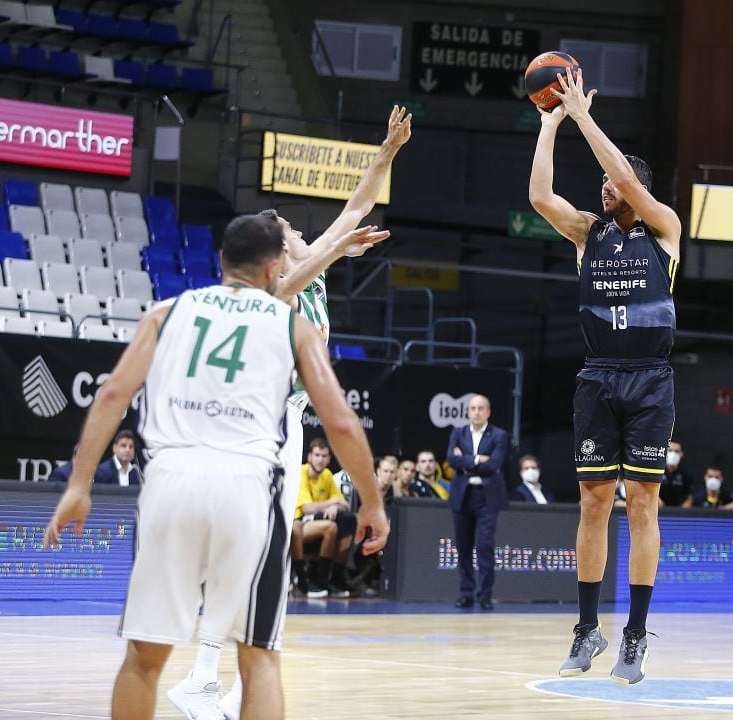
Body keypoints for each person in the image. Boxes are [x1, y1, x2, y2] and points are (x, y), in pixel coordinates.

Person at [42, 214, 388, 720]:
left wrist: (78, 484)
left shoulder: (167, 312)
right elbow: (338, 419)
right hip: (248, 490)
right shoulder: (291, 323)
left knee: (142, 658)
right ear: (275, 268)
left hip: (171, 488)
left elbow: (113, 393)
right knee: (260, 659)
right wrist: (372, 500)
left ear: (222, 259)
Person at [170, 105, 411, 720]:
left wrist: (386, 152)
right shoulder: (280, 283)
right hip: (256, 429)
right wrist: (337, 247)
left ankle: (207, 681)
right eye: (292, 231)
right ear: (279, 248)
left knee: (256, 558)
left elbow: (355, 208)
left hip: (279, 425)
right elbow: (328, 245)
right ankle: (215, 684)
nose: (309, 232)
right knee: (257, 557)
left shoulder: (313, 275)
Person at [529, 66, 682, 684]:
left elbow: (620, 173)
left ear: (635, 190)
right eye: (600, 185)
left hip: (649, 378)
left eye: (612, 185)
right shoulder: (586, 234)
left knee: (643, 503)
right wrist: (550, 124)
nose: (603, 190)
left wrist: (583, 115)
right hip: (598, 376)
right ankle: (587, 628)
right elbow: (541, 197)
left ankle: (637, 635)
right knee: (594, 503)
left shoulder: (664, 227)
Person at [446, 394, 509, 610]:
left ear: (488, 412)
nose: (476, 412)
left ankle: (485, 595)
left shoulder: (499, 434)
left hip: (487, 497)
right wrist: (477, 459)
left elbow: (494, 464)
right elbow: (451, 460)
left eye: (481, 408)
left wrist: (466, 460)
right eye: (472, 408)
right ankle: (466, 593)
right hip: (463, 495)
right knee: (463, 547)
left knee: (484, 546)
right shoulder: (458, 432)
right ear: (467, 412)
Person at [295, 438, 356, 597]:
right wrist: (332, 502)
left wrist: (335, 506)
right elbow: (307, 508)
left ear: (329, 459)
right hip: (297, 524)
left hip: (316, 520)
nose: (320, 460)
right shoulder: (301, 472)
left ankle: (335, 577)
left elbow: (345, 504)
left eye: (324, 456)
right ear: (309, 457)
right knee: (331, 526)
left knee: (348, 522)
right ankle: (315, 578)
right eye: (317, 455)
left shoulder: (327, 475)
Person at [660, 440, 693, 507]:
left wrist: (683, 510)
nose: (673, 454)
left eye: (676, 451)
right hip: (658, 509)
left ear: (681, 454)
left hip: (678, 512)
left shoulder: (686, 474)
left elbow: (689, 496)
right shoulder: (657, 471)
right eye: (670, 450)